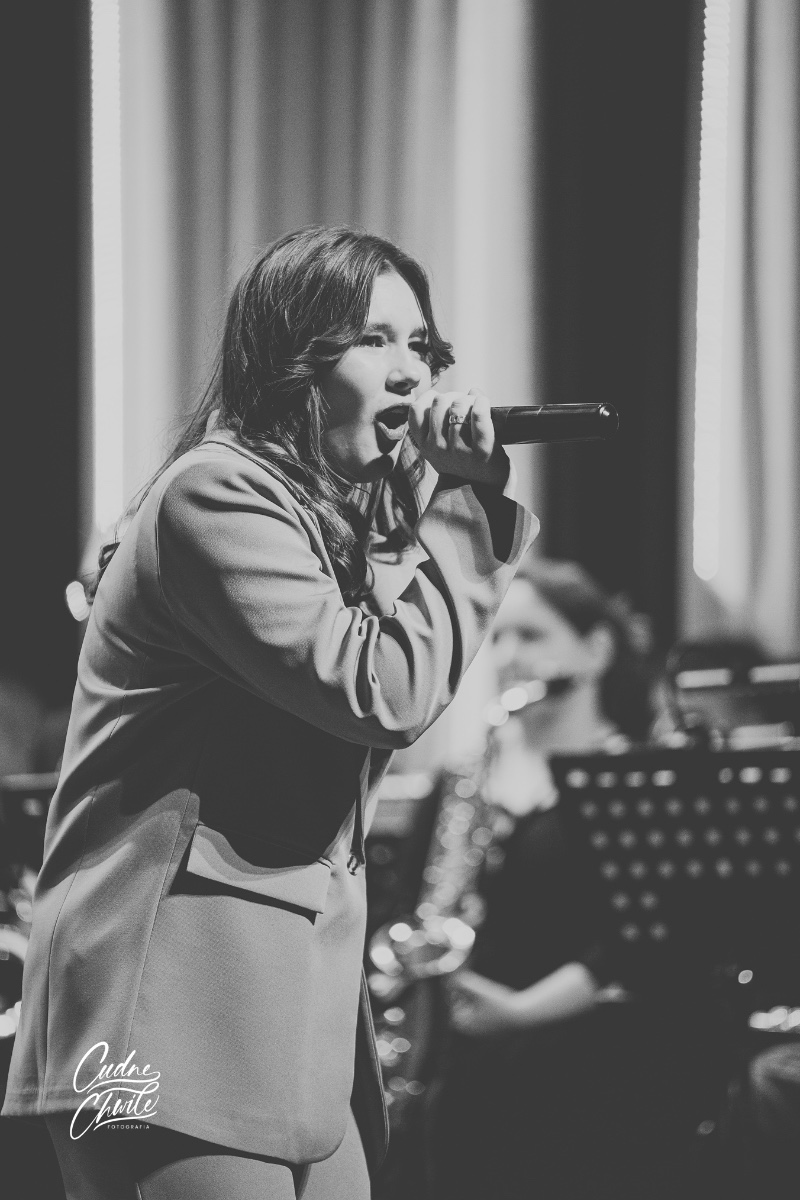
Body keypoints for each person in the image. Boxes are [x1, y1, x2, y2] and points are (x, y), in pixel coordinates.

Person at [1, 226, 537, 1199]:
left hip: (290, 1003)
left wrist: (424, 516)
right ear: (294, 362)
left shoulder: (339, 524)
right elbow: (382, 691)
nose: (411, 372)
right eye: (374, 339)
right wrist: (458, 511)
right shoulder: (214, 493)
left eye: (422, 345)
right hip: (164, 993)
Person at [426, 559, 715, 1200]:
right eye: (497, 637)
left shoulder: (639, 781)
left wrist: (522, 1013)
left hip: (591, 1063)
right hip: (470, 1061)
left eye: (532, 635)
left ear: (596, 649)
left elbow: (640, 943)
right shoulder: (466, 779)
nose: (509, 655)